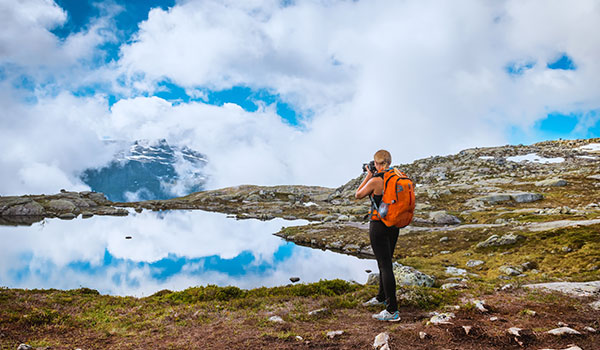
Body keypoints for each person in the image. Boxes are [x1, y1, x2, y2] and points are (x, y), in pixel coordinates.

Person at [355, 149, 401, 322]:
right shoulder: (396, 176)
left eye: (375, 163)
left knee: (385, 266)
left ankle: (392, 311)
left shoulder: (376, 180)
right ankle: (381, 297)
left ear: (377, 163)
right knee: (385, 262)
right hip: (394, 225)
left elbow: (358, 194)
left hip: (379, 225)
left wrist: (368, 175)